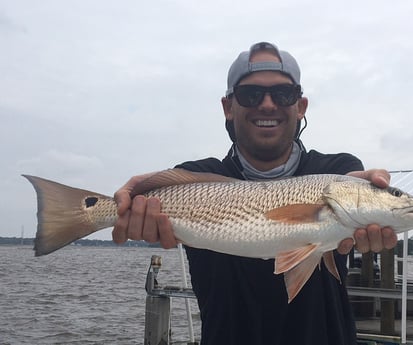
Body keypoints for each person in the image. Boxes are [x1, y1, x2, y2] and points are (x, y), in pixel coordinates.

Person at [112, 42, 397, 345]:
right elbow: (150, 194)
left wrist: (365, 198)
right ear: (228, 107)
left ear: (300, 106)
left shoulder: (338, 171)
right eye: (251, 94)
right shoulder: (196, 177)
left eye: (283, 94)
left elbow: (348, 185)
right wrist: (133, 201)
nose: (268, 105)